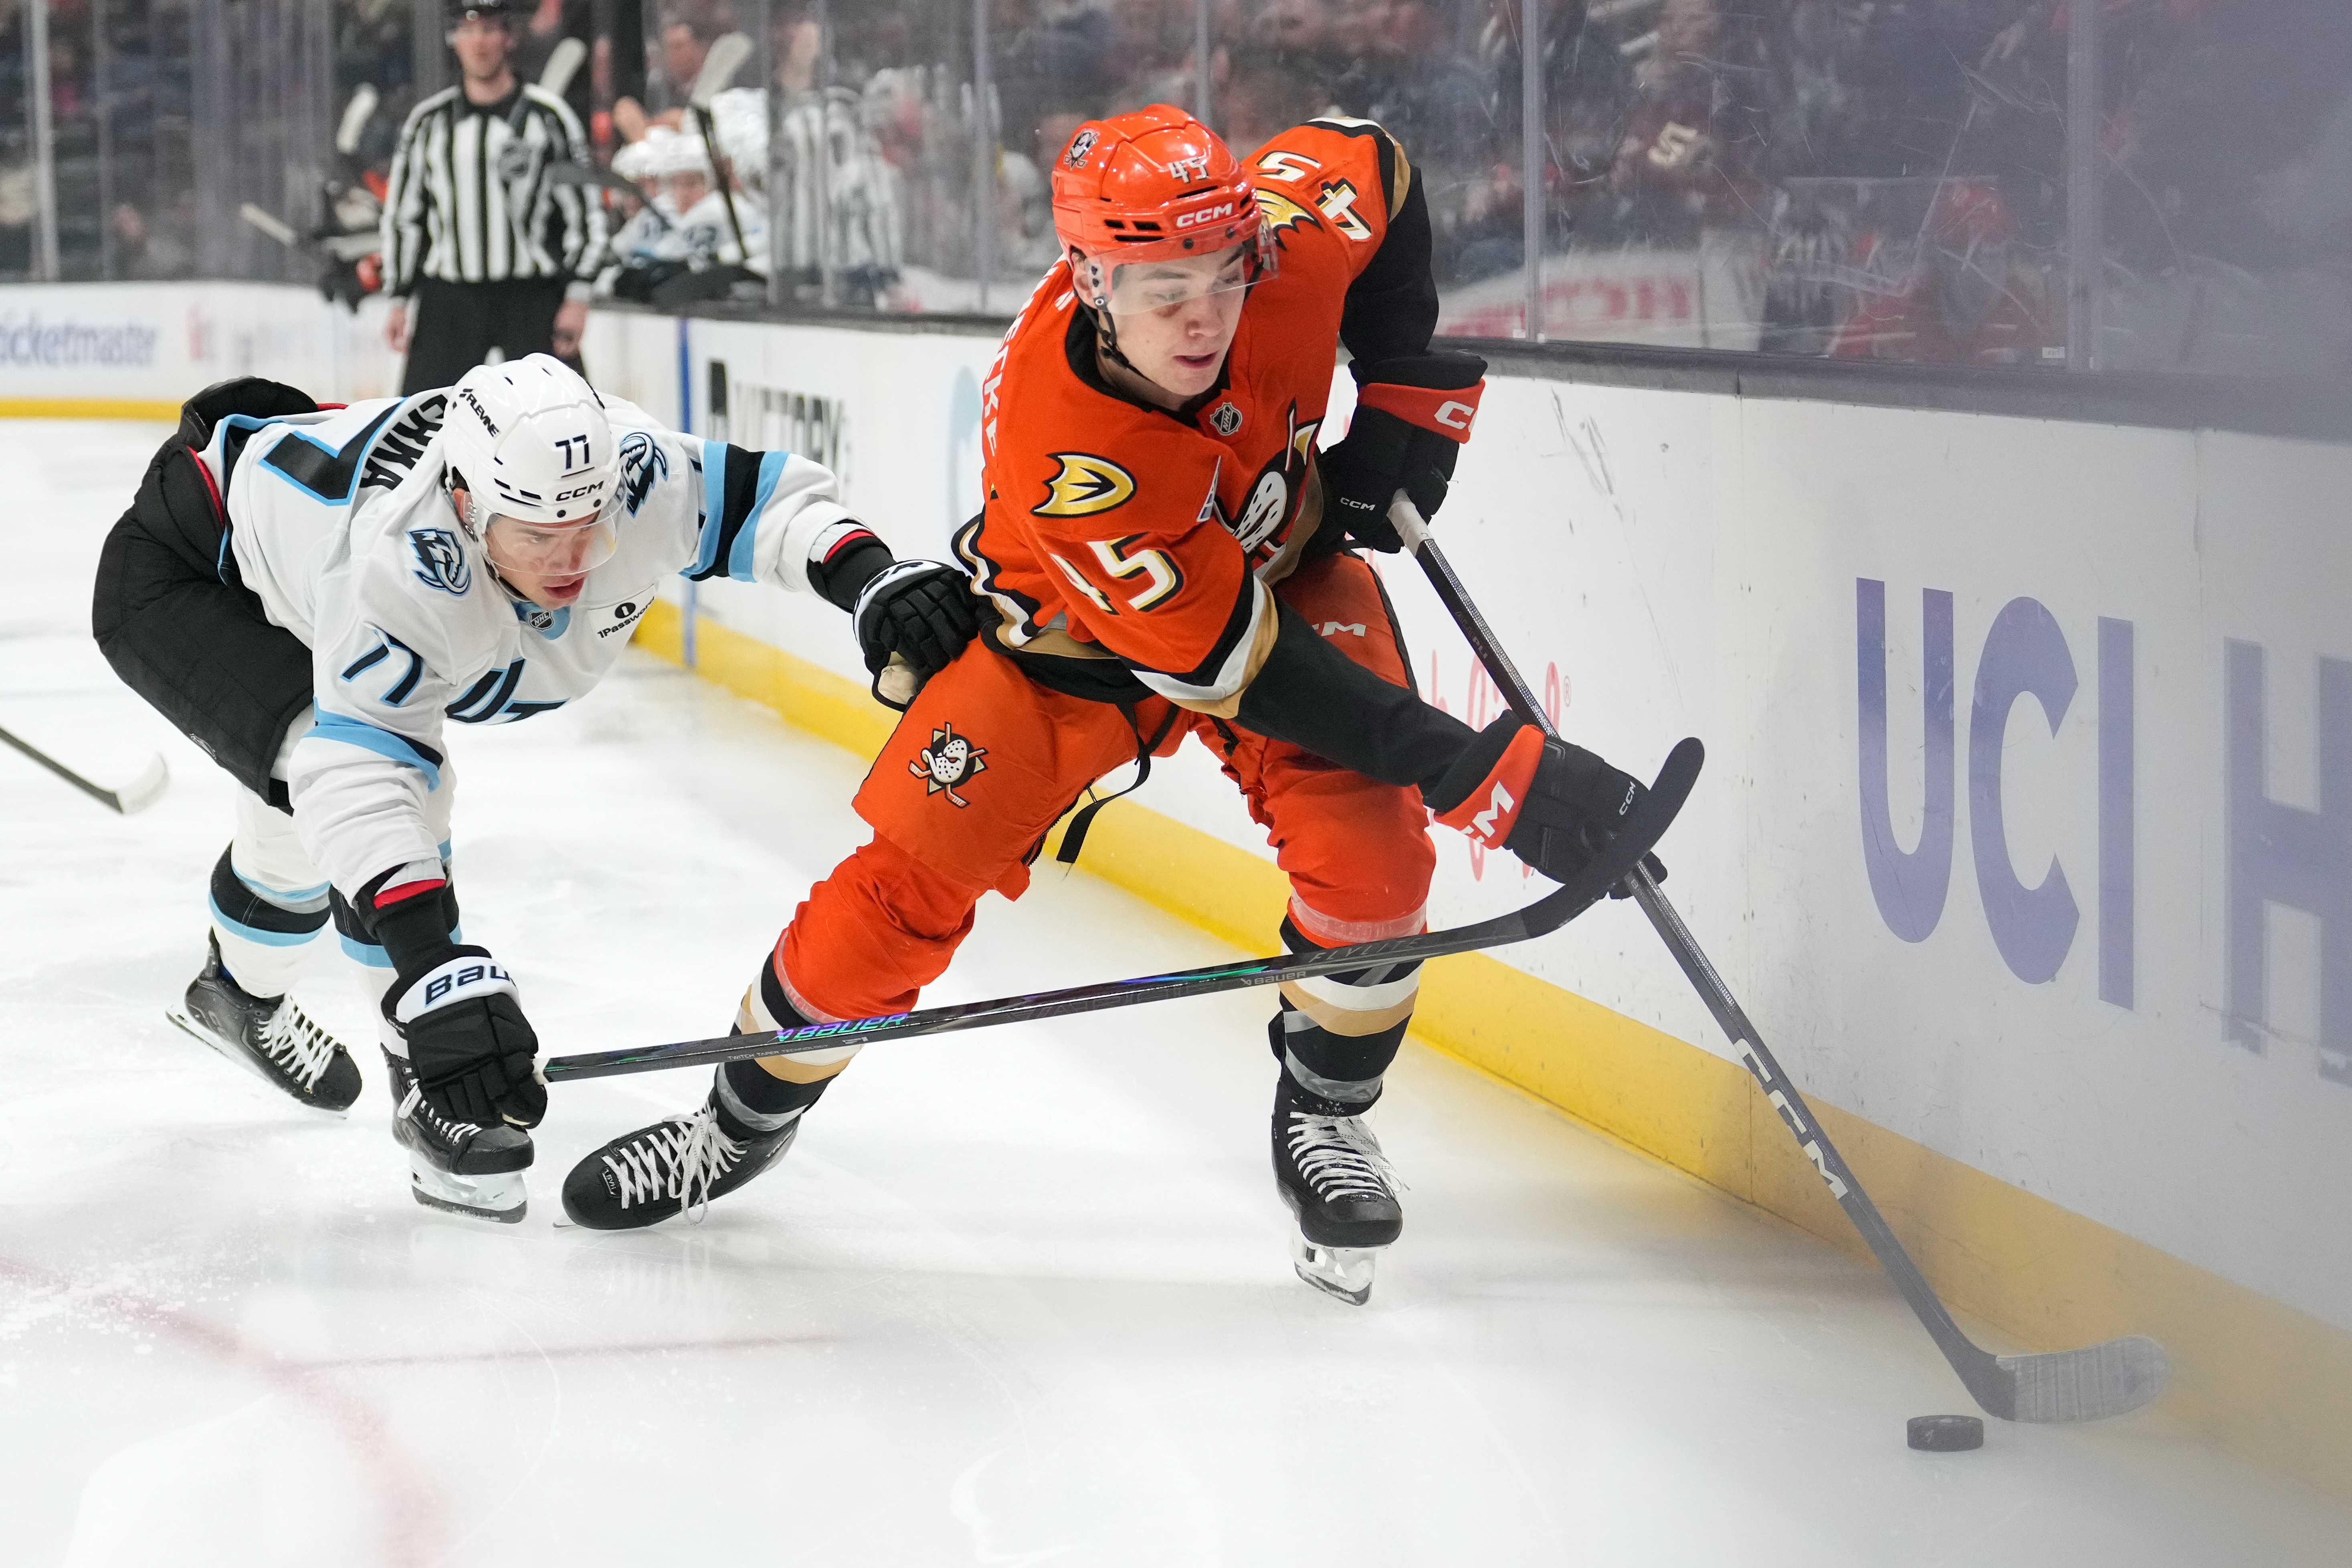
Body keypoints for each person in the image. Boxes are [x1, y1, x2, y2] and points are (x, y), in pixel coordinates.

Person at [560, 107, 1662, 1305]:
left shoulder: (1281, 253)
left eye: (1222, 278)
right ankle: (738, 1117)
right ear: (1091, 277)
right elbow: (1233, 667)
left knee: (1378, 868)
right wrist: (1472, 770)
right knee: (895, 894)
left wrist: (1401, 392)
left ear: (1255, 251)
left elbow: (1375, 158)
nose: (1202, 316)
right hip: (1073, 656)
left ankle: (1330, 1110)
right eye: (1160, 286)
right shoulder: (1066, 444)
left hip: (1279, 577)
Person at [90, 357, 978, 1223]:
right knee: (355, 793)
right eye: (539, 538)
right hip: (192, 579)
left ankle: (235, 997)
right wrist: (438, 979)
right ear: (467, 507)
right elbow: (366, 782)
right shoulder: (402, 566)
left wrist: (874, 581)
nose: (575, 561)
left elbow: (759, 503)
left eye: (588, 526)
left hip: (297, 531)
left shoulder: (627, 475)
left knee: (294, 826)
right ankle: (429, 1094)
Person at [380, 0, 610, 392]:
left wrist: (578, 296)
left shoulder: (549, 117)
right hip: (449, 297)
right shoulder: (428, 122)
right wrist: (399, 297)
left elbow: (585, 211)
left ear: (509, 37)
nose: (479, 42)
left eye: (489, 30)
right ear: (455, 39)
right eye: (469, 31)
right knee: (423, 424)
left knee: (561, 415)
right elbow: (405, 215)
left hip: (531, 296)